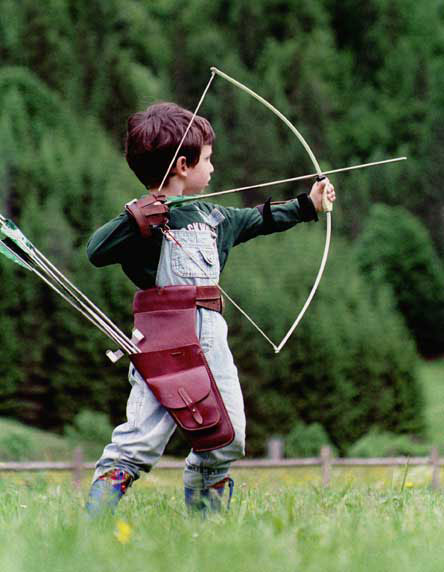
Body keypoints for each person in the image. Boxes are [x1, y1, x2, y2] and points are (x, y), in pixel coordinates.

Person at [85, 102, 336, 515]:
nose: (213, 168)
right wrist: (138, 217)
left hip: (210, 340)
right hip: (162, 342)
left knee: (227, 435)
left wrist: (309, 204)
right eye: (208, 159)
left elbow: (261, 218)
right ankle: (90, 526)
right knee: (142, 439)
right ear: (183, 164)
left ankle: (206, 531)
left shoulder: (216, 216)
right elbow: (97, 250)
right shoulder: (143, 222)